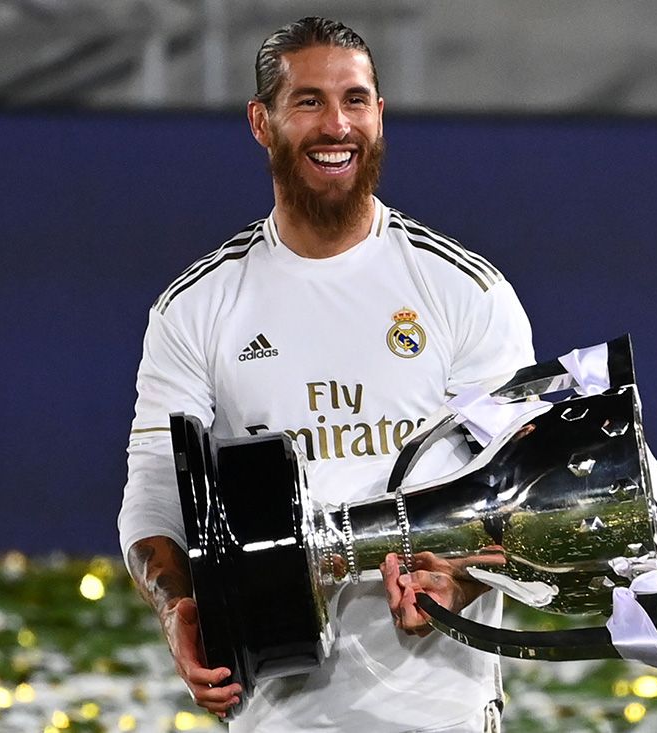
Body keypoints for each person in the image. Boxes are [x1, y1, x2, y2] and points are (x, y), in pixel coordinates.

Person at [118, 17, 534, 732]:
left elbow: (520, 487)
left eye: (356, 99)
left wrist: (458, 577)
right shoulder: (196, 308)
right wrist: (177, 605)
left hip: (442, 713)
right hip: (276, 715)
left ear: (380, 114)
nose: (336, 124)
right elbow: (156, 495)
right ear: (261, 121)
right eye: (308, 101)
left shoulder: (467, 292)